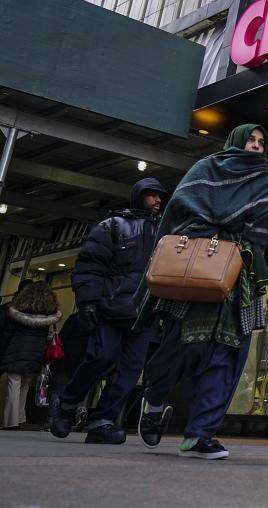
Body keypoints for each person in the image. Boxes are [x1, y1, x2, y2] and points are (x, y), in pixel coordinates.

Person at [131, 124, 268, 460]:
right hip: (197, 273)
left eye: (261, 141)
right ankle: (154, 401)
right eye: (250, 140)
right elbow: (179, 214)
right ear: (235, 142)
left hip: (239, 280)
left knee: (227, 357)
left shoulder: (266, 181)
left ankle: (199, 436)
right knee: (179, 349)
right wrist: (219, 228)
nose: (256, 146)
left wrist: (245, 240)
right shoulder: (206, 169)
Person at [49, 177, 168, 443]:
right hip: (111, 309)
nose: (158, 200)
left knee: (129, 370)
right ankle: (67, 405)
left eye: (160, 196)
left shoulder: (166, 233)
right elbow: (90, 266)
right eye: (151, 195)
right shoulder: (112, 226)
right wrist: (88, 302)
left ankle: (101, 421)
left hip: (144, 314)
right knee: (99, 358)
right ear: (139, 196)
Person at [0, 282, 61, 429]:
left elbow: (7, 334)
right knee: (25, 385)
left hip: (16, 350)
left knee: (13, 384)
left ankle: (11, 421)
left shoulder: (16, 312)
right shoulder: (49, 315)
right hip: (36, 354)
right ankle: (20, 418)